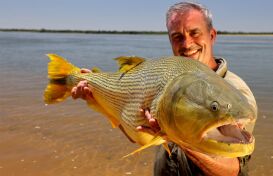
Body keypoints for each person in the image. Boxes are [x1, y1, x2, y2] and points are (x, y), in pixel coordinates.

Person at [71, 2, 257, 176]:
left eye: (195, 33)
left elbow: (233, 170)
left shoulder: (237, 91)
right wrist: (97, 98)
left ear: (212, 35)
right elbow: (136, 134)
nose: (187, 44)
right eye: (177, 37)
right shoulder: (167, 79)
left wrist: (177, 138)